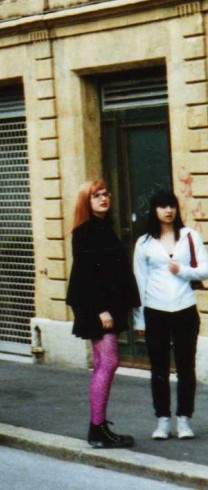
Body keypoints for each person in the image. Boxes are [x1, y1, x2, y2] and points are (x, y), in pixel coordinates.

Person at [65, 179, 140, 449]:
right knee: (107, 363)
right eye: (97, 195)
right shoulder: (85, 231)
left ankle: (98, 427)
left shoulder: (102, 227)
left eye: (106, 194)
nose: (103, 198)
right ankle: (97, 429)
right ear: (87, 201)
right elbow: (87, 276)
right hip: (97, 308)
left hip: (105, 305)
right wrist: (101, 310)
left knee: (103, 363)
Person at [132, 189, 207, 440]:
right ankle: (163, 420)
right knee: (159, 368)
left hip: (185, 308)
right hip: (155, 311)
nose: (168, 210)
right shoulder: (144, 243)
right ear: (154, 210)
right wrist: (139, 320)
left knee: (186, 367)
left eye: (172, 206)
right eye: (163, 206)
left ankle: (184, 420)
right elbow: (139, 283)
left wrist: (183, 271)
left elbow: (205, 269)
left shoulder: (189, 236)